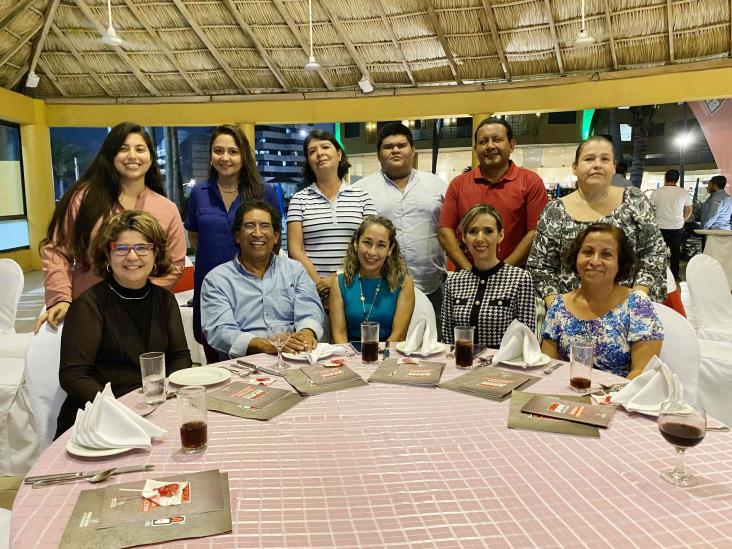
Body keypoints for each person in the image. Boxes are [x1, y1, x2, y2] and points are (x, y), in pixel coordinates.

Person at [37, 122, 185, 332]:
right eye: (123, 148)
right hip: (89, 311)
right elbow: (56, 250)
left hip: (142, 314)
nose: (132, 155)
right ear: (110, 155)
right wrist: (60, 298)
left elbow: (174, 266)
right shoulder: (83, 200)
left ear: (151, 157)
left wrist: (137, 299)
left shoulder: (167, 209)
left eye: (140, 149)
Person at [56, 211, 192, 436]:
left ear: (155, 253)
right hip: (101, 420)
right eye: (121, 248)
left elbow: (180, 356)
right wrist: (120, 408)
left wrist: (164, 394)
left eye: (142, 247)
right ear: (107, 255)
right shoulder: (89, 305)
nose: (132, 257)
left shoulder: (164, 300)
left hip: (154, 411)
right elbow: (74, 376)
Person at [528, 136, 667, 303]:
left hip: (627, 308)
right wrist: (558, 308)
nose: (597, 165)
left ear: (614, 167)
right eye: (589, 159)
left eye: (605, 159)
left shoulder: (634, 200)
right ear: (574, 168)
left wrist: (638, 297)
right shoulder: (555, 210)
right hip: (571, 310)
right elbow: (540, 266)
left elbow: (654, 253)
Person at [185, 124, 279, 363]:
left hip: (252, 291)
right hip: (209, 286)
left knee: (257, 355)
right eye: (218, 151)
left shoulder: (262, 191)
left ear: (244, 155)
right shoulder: (199, 193)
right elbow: (195, 238)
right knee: (214, 354)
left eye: (233, 151)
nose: (225, 157)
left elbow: (273, 241)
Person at [201, 201, 324, 358]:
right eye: (250, 226)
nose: (257, 233)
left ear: (276, 237)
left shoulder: (295, 270)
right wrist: (266, 345)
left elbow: (310, 312)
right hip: (244, 365)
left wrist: (306, 334)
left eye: (265, 226)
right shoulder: (217, 280)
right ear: (237, 236)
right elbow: (220, 331)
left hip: (295, 356)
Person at [541, 224, 663, 379]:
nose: (595, 261)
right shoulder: (559, 306)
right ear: (576, 257)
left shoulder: (637, 304)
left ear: (620, 263)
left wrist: (606, 401)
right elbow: (548, 368)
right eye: (588, 252)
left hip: (620, 398)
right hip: (568, 396)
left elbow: (643, 373)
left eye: (606, 254)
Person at [355, 122, 447, 324]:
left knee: (434, 349)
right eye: (388, 147)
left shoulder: (437, 185)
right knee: (385, 349)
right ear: (379, 154)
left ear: (413, 150)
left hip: (432, 287)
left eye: (402, 145)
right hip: (381, 290)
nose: (395, 150)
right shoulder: (360, 190)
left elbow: (450, 229)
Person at [438, 117, 547, 268]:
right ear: (476, 149)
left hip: (515, 276)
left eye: (497, 140)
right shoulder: (458, 184)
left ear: (512, 145)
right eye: (483, 142)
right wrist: (469, 271)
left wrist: (501, 273)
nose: (490, 146)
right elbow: (445, 231)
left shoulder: (530, 182)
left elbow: (535, 232)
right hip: (468, 276)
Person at [287, 129, 377, 305]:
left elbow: (371, 244)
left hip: (356, 288)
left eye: (325, 147)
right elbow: (295, 249)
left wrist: (338, 278)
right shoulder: (299, 199)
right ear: (309, 162)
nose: (319, 154)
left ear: (339, 154)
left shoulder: (362, 196)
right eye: (312, 151)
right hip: (313, 292)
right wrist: (319, 284)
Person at [441, 204, 535, 348]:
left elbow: (526, 340)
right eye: (472, 231)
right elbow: (447, 341)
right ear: (464, 238)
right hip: (461, 365)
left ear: (500, 235)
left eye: (488, 231)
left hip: (504, 366)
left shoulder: (520, 279)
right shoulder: (453, 282)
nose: (480, 238)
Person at [329, 216, 415, 343]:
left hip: (388, 355)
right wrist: (354, 361)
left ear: (389, 250)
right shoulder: (340, 283)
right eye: (367, 243)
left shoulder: (403, 283)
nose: (372, 252)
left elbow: (399, 336)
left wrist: (377, 360)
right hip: (349, 355)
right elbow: (339, 335)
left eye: (381, 245)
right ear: (356, 243)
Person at [649, 169, 692, 279]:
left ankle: (658, 274)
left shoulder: (656, 192)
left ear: (665, 178)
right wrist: (683, 220)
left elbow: (649, 209)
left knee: (659, 252)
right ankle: (674, 274)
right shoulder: (683, 192)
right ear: (677, 179)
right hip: (676, 226)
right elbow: (689, 210)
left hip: (659, 226)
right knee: (675, 252)